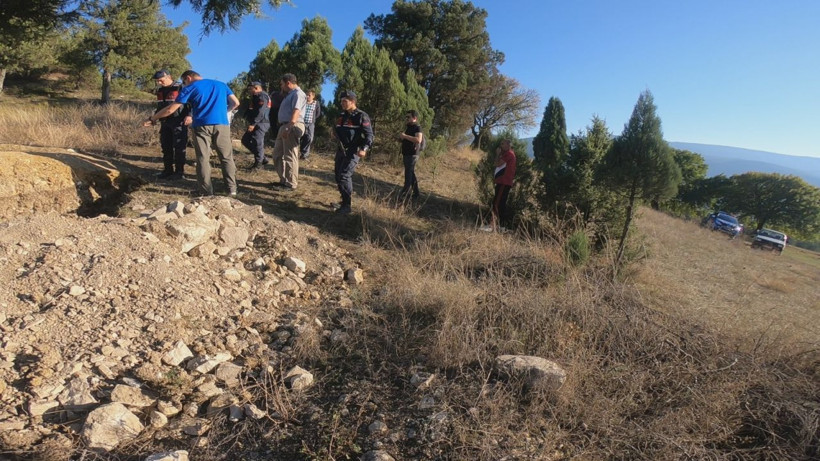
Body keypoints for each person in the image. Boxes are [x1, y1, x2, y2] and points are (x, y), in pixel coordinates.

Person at [146, 70, 240, 196]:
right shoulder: (221, 84)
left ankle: (206, 191)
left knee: (203, 158)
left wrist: (153, 118)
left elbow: (170, 109)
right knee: (226, 157)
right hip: (222, 124)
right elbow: (236, 103)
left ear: (188, 78)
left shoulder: (190, 88)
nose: (184, 84)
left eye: (184, 82)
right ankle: (232, 189)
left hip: (201, 125)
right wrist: (224, 111)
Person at [143, 70, 191, 179]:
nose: (159, 83)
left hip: (179, 121)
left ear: (169, 77)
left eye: (161, 80)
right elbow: (161, 107)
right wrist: (154, 118)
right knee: (166, 146)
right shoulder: (160, 90)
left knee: (179, 147)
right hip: (165, 122)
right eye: (157, 81)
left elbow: (190, 103)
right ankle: (167, 170)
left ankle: (179, 172)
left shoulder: (180, 87)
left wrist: (190, 115)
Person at [333, 90, 373, 214]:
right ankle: (344, 200)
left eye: (345, 101)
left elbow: (369, 135)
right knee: (338, 175)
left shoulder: (361, 116)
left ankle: (347, 206)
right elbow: (339, 130)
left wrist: (364, 149)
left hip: (353, 151)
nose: (342, 104)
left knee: (345, 175)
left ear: (353, 101)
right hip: (341, 149)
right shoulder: (342, 115)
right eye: (341, 102)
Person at [271, 73, 306, 191]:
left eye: (282, 84)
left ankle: (291, 183)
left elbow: (296, 111)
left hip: (291, 125)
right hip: (284, 126)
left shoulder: (298, 94)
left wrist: (289, 126)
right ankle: (284, 180)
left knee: (290, 155)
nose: (281, 87)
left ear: (288, 83)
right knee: (277, 154)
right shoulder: (289, 95)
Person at [484, 139, 516, 231]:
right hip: (502, 182)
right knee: (500, 203)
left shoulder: (509, 154)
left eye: (502, 144)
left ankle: (494, 225)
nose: (501, 145)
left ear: (508, 145)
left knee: (497, 203)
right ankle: (500, 226)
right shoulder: (507, 154)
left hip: (504, 182)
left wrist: (497, 154)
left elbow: (497, 164)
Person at [241, 81, 272, 170]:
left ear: (256, 88)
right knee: (245, 140)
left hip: (260, 123)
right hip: (256, 122)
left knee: (257, 142)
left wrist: (253, 124)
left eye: (250, 89)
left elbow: (260, 112)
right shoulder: (255, 97)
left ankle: (258, 165)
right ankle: (263, 158)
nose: (249, 91)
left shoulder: (262, 96)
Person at [397, 109, 423, 199]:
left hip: (412, 154)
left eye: (409, 117)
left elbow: (418, 140)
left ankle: (404, 195)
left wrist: (405, 136)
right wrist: (401, 138)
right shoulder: (408, 127)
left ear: (414, 118)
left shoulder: (417, 127)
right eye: (406, 117)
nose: (406, 118)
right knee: (411, 173)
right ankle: (416, 194)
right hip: (406, 153)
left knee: (408, 174)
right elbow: (406, 139)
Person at [299, 90, 321, 161]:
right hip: (301, 122)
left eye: (309, 95)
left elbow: (317, 113)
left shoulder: (316, 103)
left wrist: (313, 120)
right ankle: (297, 153)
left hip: (310, 123)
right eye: (307, 95)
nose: (307, 96)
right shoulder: (303, 102)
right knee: (299, 137)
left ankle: (304, 154)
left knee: (309, 138)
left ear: (313, 96)